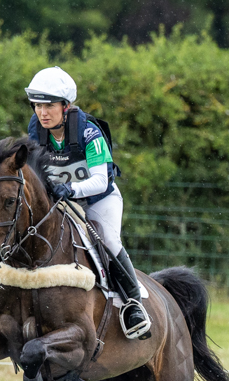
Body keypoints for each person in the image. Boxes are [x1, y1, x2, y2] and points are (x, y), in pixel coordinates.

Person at [25, 66, 151, 340]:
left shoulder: (89, 132)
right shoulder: (36, 130)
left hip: (97, 200)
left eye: (49, 106)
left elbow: (100, 181)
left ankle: (133, 304)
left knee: (108, 239)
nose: (42, 113)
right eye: (37, 105)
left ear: (66, 106)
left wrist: (69, 188)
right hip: (61, 201)